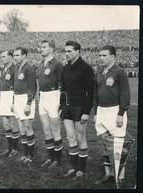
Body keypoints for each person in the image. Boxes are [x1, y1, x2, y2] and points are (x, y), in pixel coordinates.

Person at [94, 46, 130, 185]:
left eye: (104, 55)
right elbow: (95, 94)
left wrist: (121, 113)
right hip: (101, 111)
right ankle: (108, 173)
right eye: (100, 55)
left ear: (113, 57)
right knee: (104, 143)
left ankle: (120, 176)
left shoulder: (120, 71)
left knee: (118, 145)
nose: (101, 58)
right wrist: (96, 112)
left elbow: (125, 94)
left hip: (115, 111)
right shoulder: (99, 71)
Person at [60, 41, 94, 179]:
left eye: (69, 51)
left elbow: (91, 92)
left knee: (81, 137)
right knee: (70, 137)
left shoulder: (86, 68)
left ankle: (82, 170)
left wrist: (86, 112)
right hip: (67, 107)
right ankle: (74, 168)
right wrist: (61, 107)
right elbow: (63, 90)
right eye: (65, 51)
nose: (66, 54)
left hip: (80, 108)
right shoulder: (65, 69)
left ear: (78, 52)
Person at [37, 40, 63, 168]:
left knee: (55, 129)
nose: (41, 49)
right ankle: (50, 158)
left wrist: (62, 103)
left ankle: (57, 160)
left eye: (44, 47)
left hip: (54, 96)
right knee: (46, 129)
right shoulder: (41, 64)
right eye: (40, 47)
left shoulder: (57, 64)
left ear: (51, 49)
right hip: (43, 96)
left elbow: (63, 84)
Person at [13, 47, 37, 164]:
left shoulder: (29, 68)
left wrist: (28, 103)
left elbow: (33, 87)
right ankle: (25, 153)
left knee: (27, 127)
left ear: (24, 56)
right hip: (17, 98)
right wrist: (13, 102)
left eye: (17, 55)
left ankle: (31, 155)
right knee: (21, 128)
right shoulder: (18, 68)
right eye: (14, 55)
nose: (15, 57)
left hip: (26, 99)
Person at [0, 51, 19, 157]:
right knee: (5, 124)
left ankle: (15, 149)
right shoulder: (3, 69)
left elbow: (17, 86)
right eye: (1, 57)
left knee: (13, 123)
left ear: (10, 57)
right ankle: (9, 147)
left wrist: (14, 100)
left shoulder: (15, 69)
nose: (1, 59)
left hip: (11, 95)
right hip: (3, 96)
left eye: (4, 57)